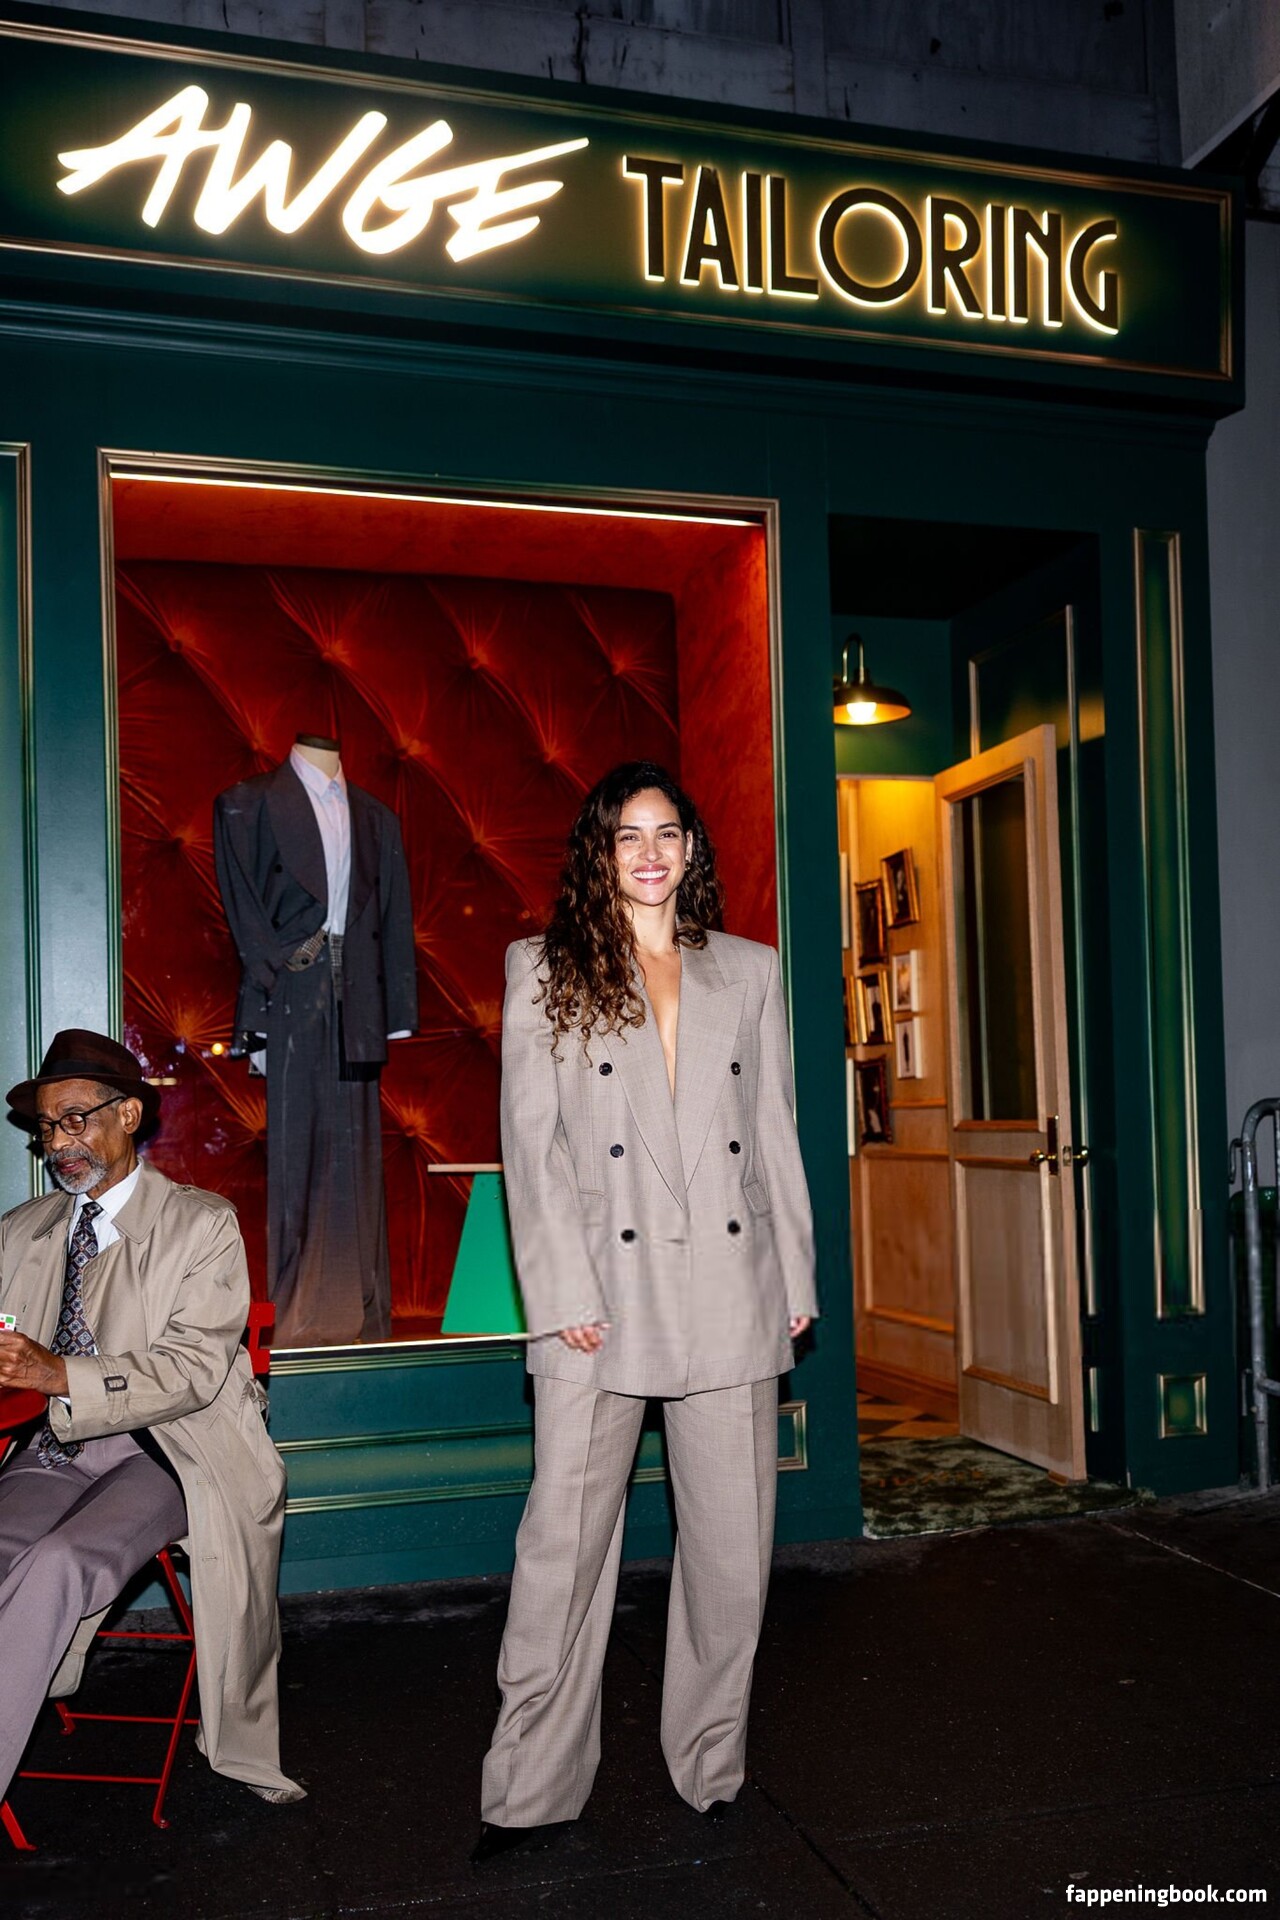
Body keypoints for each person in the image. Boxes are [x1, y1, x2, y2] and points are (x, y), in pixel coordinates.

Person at [474, 762, 817, 1861]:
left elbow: (775, 1133)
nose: (650, 853)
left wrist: (795, 1277)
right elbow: (530, 1150)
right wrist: (559, 1293)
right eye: (628, 835)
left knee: (731, 1557)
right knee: (562, 1555)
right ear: (599, 851)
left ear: (691, 848)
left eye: (667, 833)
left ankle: (710, 1766)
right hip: (597, 1302)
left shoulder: (749, 970)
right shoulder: (545, 968)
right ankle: (530, 1787)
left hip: (728, 1286)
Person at [0, 1029, 304, 1807]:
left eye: (74, 1119)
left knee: (59, 1562)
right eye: (46, 1126)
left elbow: (194, 1371)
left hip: (170, 1452)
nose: (56, 1142)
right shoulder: (21, 1231)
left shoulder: (202, 1225)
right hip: (53, 1446)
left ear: (129, 1114)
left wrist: (57, 1372)